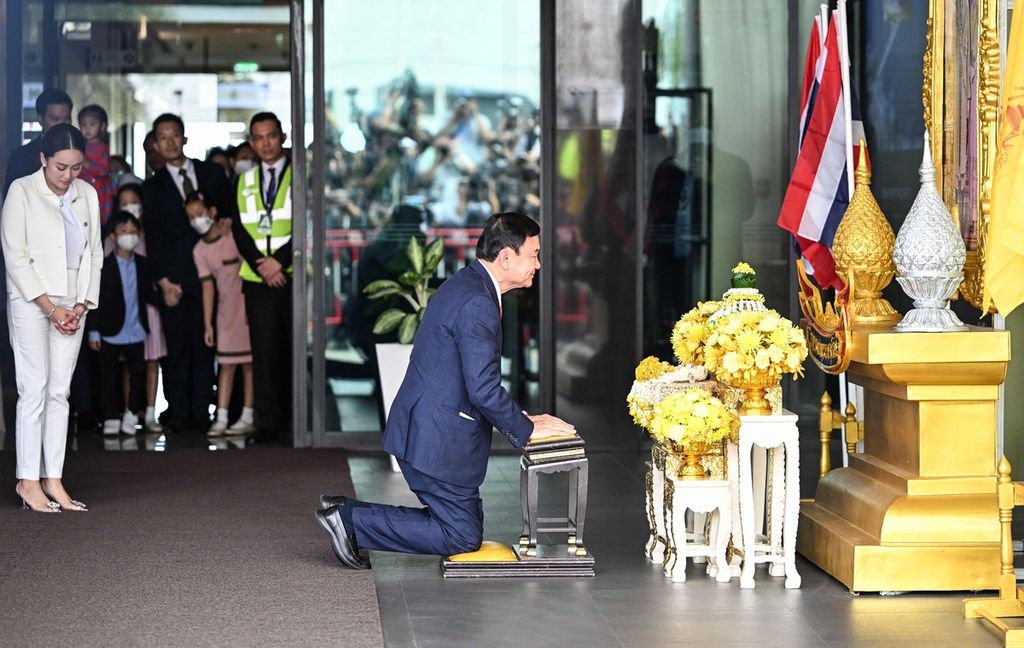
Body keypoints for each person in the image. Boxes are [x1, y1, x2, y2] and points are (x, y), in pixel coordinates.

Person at [315, 212, 576, 568]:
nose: (539, 264)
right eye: (534, 254)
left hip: (430, 429)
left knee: (464, 527)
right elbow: (483, 388)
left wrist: (522, 418)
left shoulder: (468, 284)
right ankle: (350, 521)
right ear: (506, 258)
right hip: (434, 440)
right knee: (461, 536)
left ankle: (348, 513)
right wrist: (527, 428)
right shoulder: (477, 303)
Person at [1, 123, 103, 512]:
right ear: (43, 159)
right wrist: (50, 307)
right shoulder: (22, 191)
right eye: (61, 167)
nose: (68, 176)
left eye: (76, 167)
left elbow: (94, 254)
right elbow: (15, 256)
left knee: (60, 390)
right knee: (35, 386)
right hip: (31, 301)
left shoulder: (88, 194)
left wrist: (81, 305)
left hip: (73, 303)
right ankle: (27, 481)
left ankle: (53, 479)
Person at [143, 113, 234, 432]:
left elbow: (229, 214)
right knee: (178, 346)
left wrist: (226, 222)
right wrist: (163, 281)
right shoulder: (152, 188)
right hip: (176, 278)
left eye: (175, 135)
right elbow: (152, 238)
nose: (169, 142)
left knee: (207, 342)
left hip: (214, 275)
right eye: (162, 137)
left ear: (185, 138)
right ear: (155, 143)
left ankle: (202, 410)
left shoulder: (211, 174)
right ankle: (179, 412)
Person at [231, 112, 293, 445]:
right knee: (264, 352)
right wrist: (262, 266)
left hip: (291, 274)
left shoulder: (301, 174)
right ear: (251, 143)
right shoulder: (244, 179)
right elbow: (239, 229)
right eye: (259, 137)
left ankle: (294, 419)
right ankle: (267, 424)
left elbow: (305, 224)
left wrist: (279, 263)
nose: (265, 143)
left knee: (293, 350)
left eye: (271, 135)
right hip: (258, 279)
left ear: (282, 137)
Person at [186, 191, 255, 436]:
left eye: (200, 214)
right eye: (191, 217)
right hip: (225, 311)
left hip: (247, 306)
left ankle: (248, 414)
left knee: (249, 364)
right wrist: (208, 324)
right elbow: (208, 287)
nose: (197, 220)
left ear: (213, 212)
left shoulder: (232, 235)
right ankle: (222, 417)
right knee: (225, 365)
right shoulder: (199, 251)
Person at [87, 212, 159, 436]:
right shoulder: (103, 267)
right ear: (112, 236)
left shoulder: (143, 264)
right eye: (123, 231)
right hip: (109, 330)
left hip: (135, 329)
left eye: (133, 231)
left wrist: (168, 296)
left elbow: (148, 293)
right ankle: (110, 416)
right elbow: (95, 300)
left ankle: (131, 414)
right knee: (108, 375)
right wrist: (94, 331)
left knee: (138, 372)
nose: (129, 236)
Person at [116, 183, 165, 432]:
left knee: (151, 361)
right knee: (129, 364)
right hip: (126, 311)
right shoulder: (113, 238)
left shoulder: (150, 236)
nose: (130, 207)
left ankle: (150, 413)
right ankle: (129, 410)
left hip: (149, 309)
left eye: (134, 201)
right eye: (124, 203)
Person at [3, 88, 73, 196]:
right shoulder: (21, 156)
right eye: (55, 118)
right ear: (40, 119)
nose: (62, 124)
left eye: (67, 118)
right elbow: (11, 198)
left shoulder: (83, 153)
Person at [76, 104, 114, 225]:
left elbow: (104, 170)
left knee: (96, 219)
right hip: (81, 188)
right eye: (83, 125)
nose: (87, 129)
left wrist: (86, 164)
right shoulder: (79, 146)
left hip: (99, 188)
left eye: (92, 124)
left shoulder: (103, 148)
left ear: (102, 126)